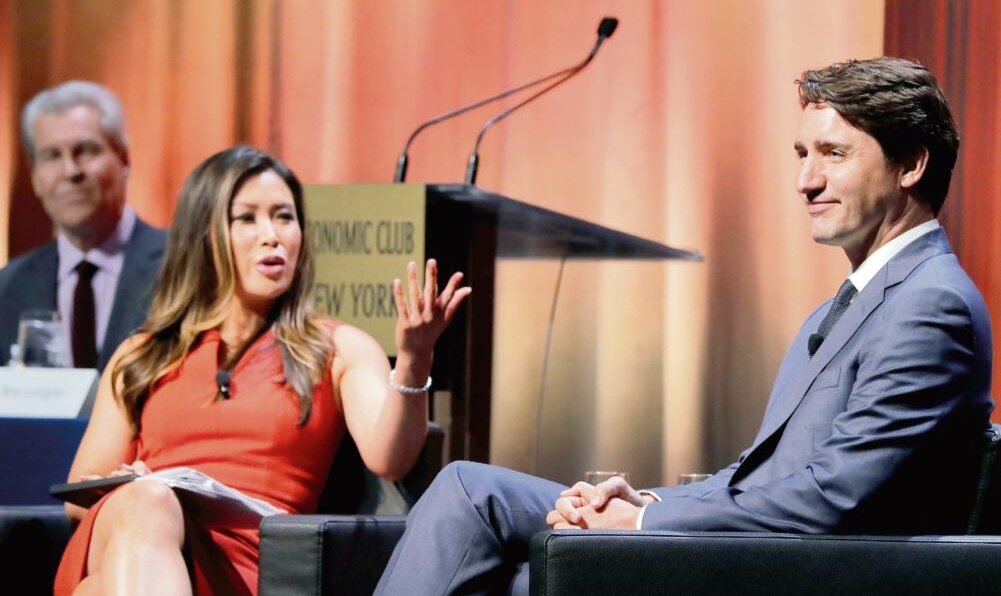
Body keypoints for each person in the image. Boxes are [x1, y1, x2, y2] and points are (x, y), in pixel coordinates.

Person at [375, 57, 994, 594]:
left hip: (791, 571)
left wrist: (644, 525)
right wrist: (641, 502)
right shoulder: (858, 303)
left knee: (480, 512)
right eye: (802, 155)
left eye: (833, 154)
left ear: (911, 164)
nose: (806, 181)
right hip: (757, 550)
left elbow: (834, 497)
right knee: (477, 504)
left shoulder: (929, 306)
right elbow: (759, 477)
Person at [53, 146, 470, 595]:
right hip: (138, 531)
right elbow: (77, 503)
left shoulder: (337, 347)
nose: (271, 235)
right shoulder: (142, 354)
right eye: (247, 218)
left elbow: (391, 459)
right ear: (204, 233)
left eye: (284, 217)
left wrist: (413, 361)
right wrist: (131, 486)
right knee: (146, 502)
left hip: (249, 563)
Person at [0, 80, 167, 371]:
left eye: (86, 150)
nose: (70, 171)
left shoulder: (184, 264)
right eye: (52, 156)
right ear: (35, 176)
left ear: (124, 159)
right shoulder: (8, 286)